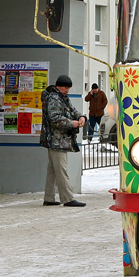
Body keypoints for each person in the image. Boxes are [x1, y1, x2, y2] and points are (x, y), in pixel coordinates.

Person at [40, 74, 87, 207]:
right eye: (66, 88)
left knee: (53, 169)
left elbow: (72, 110)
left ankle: (49, 197)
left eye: (68, 88)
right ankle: (67, 198)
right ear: (59, 87)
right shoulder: (54, 98)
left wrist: (81, 116)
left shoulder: (62, 97)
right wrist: (72, 123)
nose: (68, 91)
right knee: (61, 169)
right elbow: (54, 119)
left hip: (56, 139)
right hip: (56, 139)